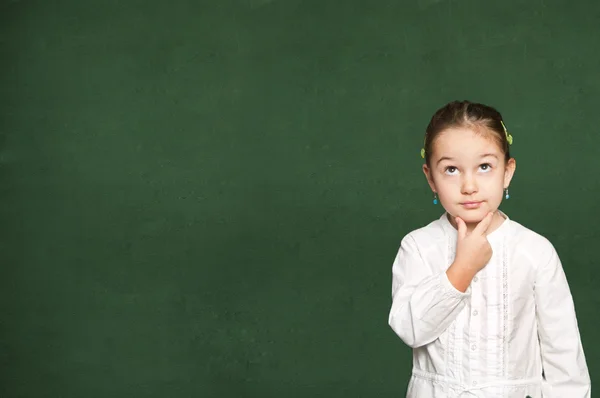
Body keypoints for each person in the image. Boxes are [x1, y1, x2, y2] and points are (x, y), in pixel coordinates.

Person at [387, 100, 591, 397]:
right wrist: (463, 267)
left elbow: (564, 358)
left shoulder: (534, 251)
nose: (469, 186)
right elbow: (410, 328)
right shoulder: (418, 246)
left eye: (484, 167)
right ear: (430, 177)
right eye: (451, 169)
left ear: (507, 172)